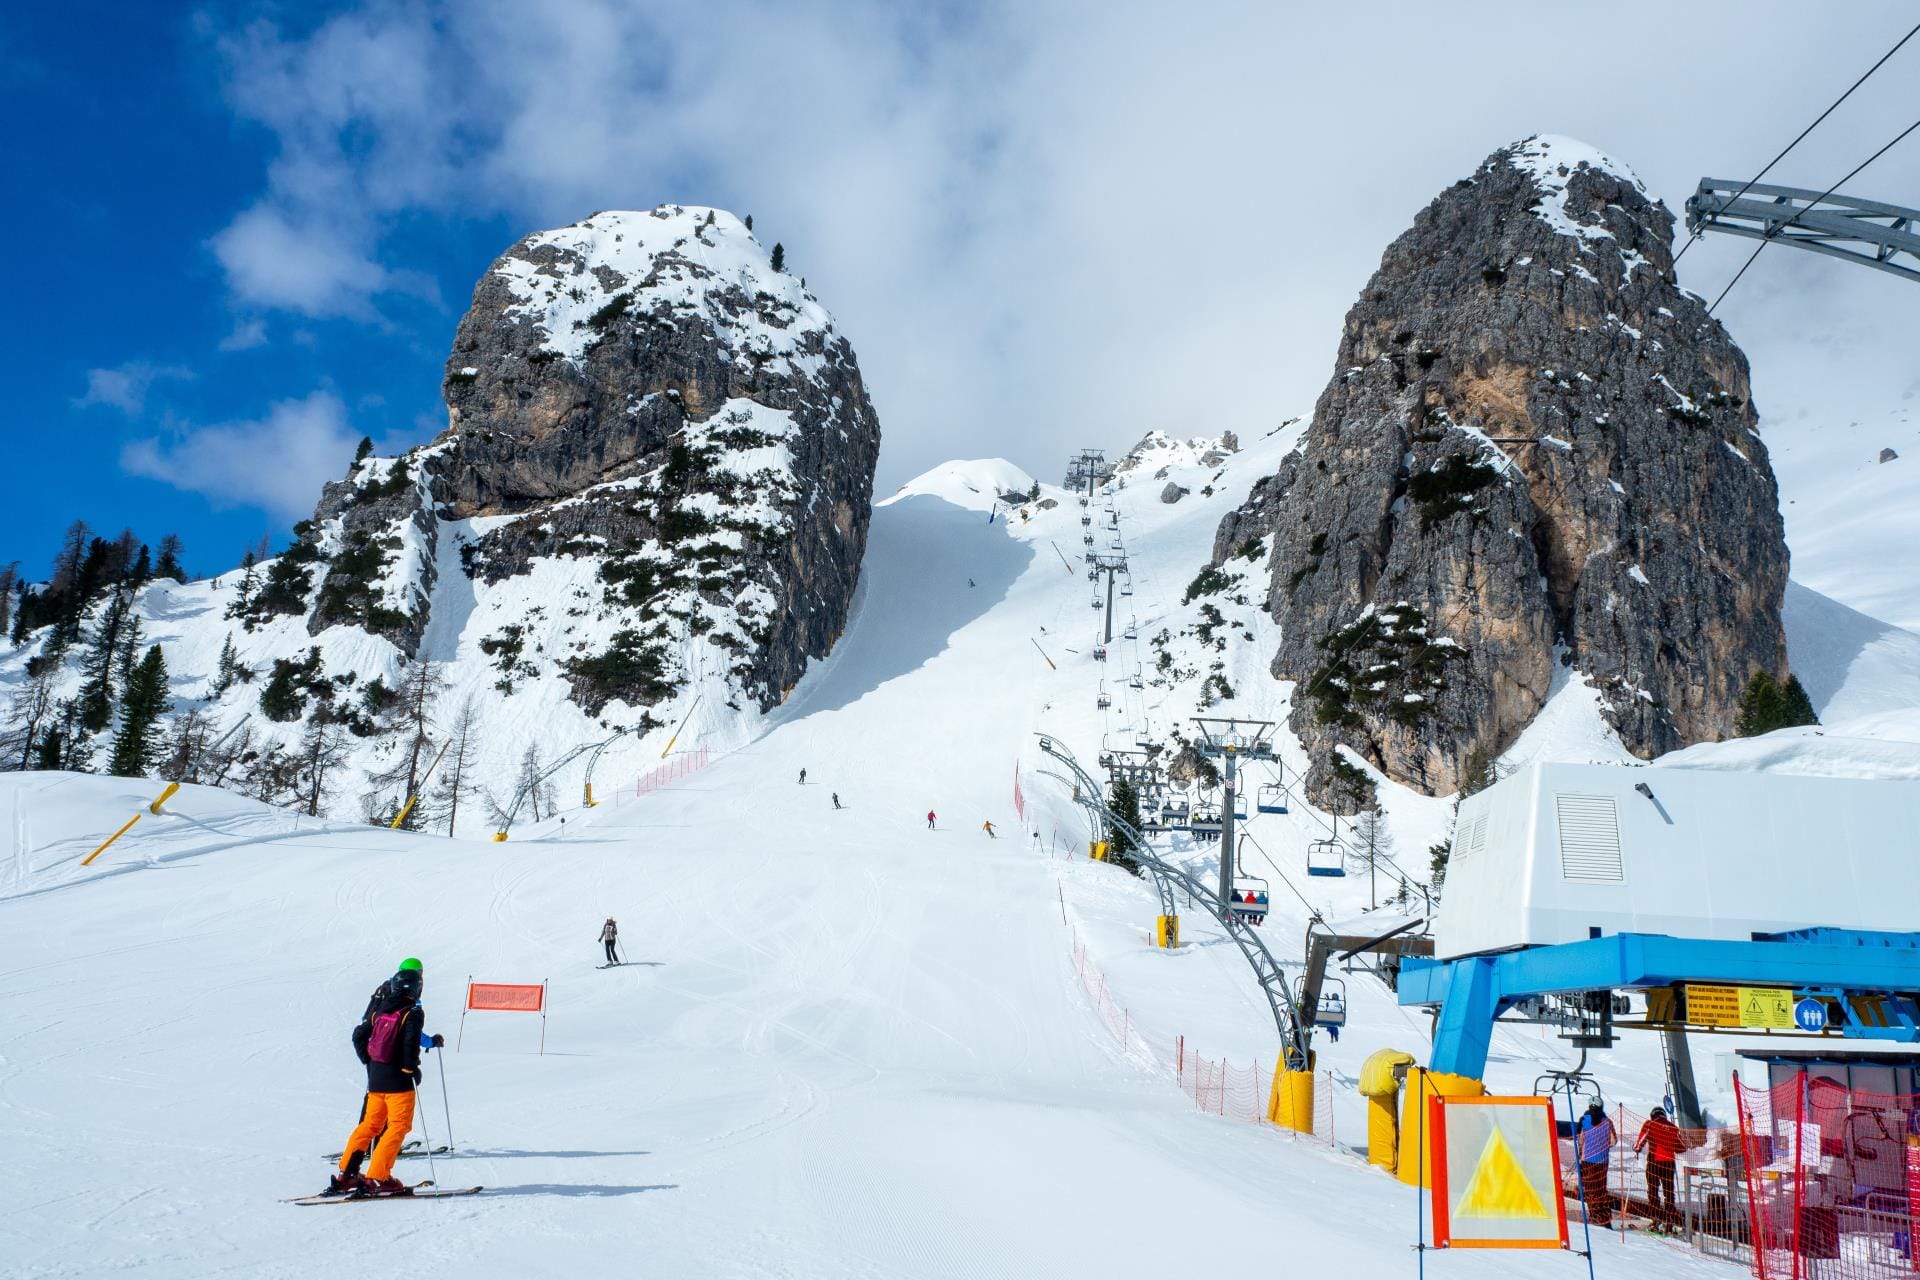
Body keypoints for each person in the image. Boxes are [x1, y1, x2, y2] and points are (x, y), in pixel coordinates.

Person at [328, 958, 442, 1197]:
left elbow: (360, 1033)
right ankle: (378, 1177)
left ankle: (347, 1174)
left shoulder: (382, 1003)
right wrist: (410, 1069)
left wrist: (370, 1062)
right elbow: (410, 1041)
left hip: (376, 1077)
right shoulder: (413, 1009)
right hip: (397, 1080)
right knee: (398, 1126)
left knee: (370, 1125)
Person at [1636, 1106, 1684, 1229]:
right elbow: (1681, 1148)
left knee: (1653, 1191)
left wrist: (1637, 1147)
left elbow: (1640, 1141)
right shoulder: (1673, 1128)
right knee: (1669, 1192)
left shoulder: (1650, 1124)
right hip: (1669, 1163)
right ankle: (1670, 1219)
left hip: (1654, 1162)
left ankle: (1656, 1218)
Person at [1576, 1100, 1616, 1226]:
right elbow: (1614, 1141)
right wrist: (1603, 1146)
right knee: (1601, 1189)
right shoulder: (1607, 1121)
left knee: (1590, 1189)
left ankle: (1595, 1215)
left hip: (1587, 1160)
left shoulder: (1584, 1120)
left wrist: (1581, 1152)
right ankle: (1605, 1216)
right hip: (1603, 1161)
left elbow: (1580, 1139)